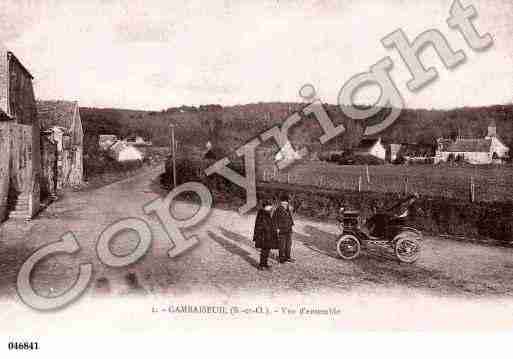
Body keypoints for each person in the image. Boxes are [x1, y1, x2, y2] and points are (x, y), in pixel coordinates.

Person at [253, 200, 279, 270]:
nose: (271, 207)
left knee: (267, 250)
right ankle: (261, 265)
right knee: (264, 251)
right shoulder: (262, 213)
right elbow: (263, 225)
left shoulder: (266, 213)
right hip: (264, 236)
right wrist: (270, 229)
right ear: (266, 206)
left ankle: (265, 264)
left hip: (267, 235)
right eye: (270, 206)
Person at [273, 194, 295, 263]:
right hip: (281, 229)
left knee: (288, 244)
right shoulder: (278, 209)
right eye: (283, 202)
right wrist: (276, 228)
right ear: (281, 202)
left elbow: (291, 215)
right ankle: (281, 258)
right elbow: (274, 219)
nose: (285, 203)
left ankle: (287, 257)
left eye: (286, 202)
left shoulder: (289, 209)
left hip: (289, 229)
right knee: (282, 244)